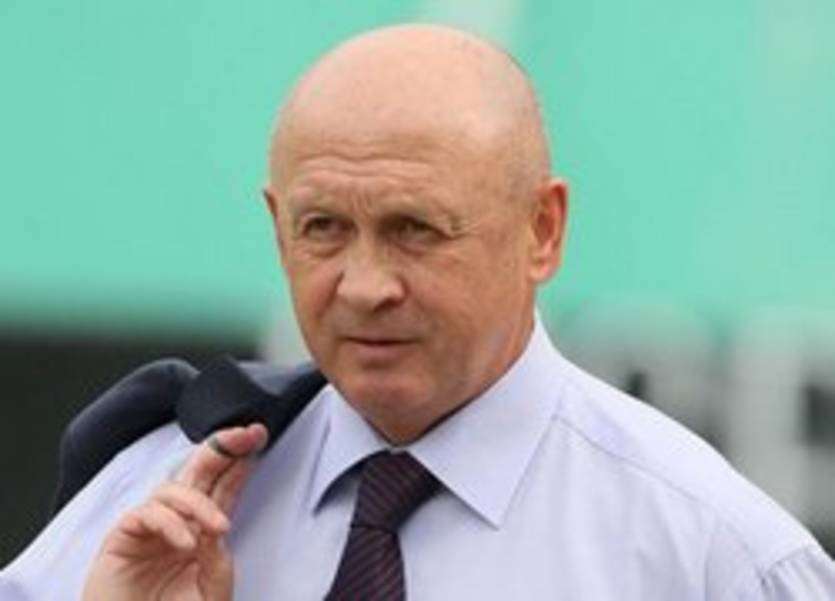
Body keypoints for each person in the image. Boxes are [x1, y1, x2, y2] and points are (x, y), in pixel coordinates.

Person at [2, 23, 835, 600]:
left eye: (415, 230)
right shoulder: (156, 499)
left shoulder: (711, 555)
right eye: (324, 228)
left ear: (541, 230)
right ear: (277, 226)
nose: (364, 285)